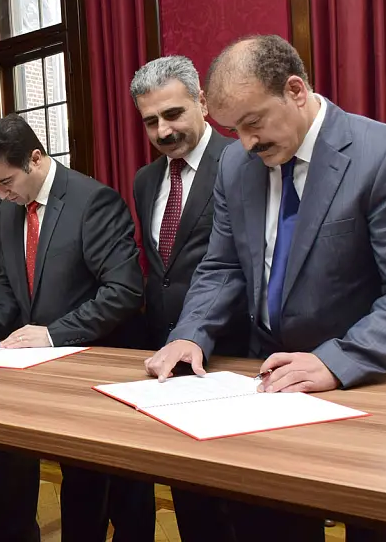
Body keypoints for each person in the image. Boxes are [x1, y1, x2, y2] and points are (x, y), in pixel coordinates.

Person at [144, 35, 386, 542]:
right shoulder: (237, 166)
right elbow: (222, 267)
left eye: (254, 122)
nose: (245, 143)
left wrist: (335, 361)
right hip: (268, 384)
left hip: (367, 384)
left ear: (296, 91)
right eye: (234, 130)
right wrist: (191, 332)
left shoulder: (383, 153)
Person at [0, 115, 145, 542]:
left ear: (35, 159)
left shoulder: (92, 201)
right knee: (76, 490)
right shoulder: (11, 209)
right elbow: (10, 286)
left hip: (98, 370)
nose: (1, 194)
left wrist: (54, 333)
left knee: (112, 496)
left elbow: (124, 291)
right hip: (45, 374)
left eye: (6, 182)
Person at [127, 56, 247, 541]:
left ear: (202, 102)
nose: (163, 130)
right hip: (167, 356)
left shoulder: (243, 161)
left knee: (240, 502)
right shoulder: (145, 180)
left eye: (173, 114)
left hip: (234, 351)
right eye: (150, 121)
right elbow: (161, 271)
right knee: (189, 493)